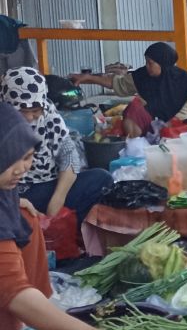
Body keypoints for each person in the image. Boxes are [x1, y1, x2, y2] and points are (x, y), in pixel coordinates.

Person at [0, 103, 142, 330]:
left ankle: (27, 322)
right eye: (11, 160)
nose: (22, 169)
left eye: (27, 157)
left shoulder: (7, 194)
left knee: (28, 218)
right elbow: (13, 292)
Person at [1, 67, 114, 227]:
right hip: (15, 191)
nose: (32, 117)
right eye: (25, 111)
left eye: (36, 111)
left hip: (49, 185)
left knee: (102, 179)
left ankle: (70, 232)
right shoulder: (3, 124)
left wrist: (58, 198)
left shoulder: (48, 113)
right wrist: (14, 200)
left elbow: (68, 153)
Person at [72, 43, 187, 138]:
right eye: (146, 62)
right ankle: (135, 145)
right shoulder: (142, 75)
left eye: (150, 63)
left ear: (162, 63)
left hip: (176, 131)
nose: (147, 66)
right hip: (150, 128)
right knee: (133, 107)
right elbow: (115, 83)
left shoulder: (183, 78)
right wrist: (88, 78)